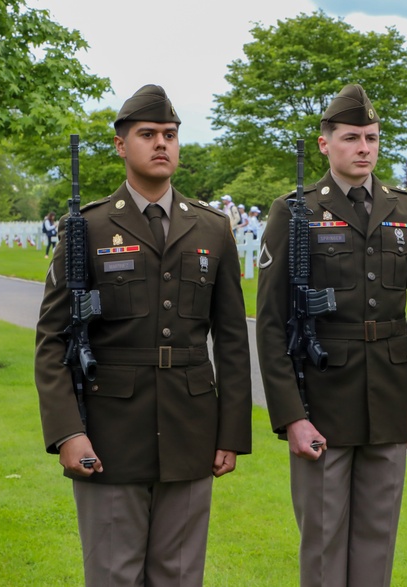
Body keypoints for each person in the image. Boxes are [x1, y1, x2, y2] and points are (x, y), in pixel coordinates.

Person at [34, 85, 253, 586]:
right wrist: (68, 431)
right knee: (114, 574)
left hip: (191, 430)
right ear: (120, 145)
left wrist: (231, 433)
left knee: (180, 576)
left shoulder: (212, 229)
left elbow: (232, 342)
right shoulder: (85, 228)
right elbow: (52, 341)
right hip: (111, 432)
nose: (161, 144)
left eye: (170, 135)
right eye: (148, 134)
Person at [256, 83, 407, 587]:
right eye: (353, 137)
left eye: (373, 137)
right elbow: (272, 325)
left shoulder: (406, 211)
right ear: (325, 144)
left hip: (388, 397)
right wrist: (291, 416)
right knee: (322, 543)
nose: (364, 148)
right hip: (323, 401)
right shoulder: (294, 211)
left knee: (378, 542)